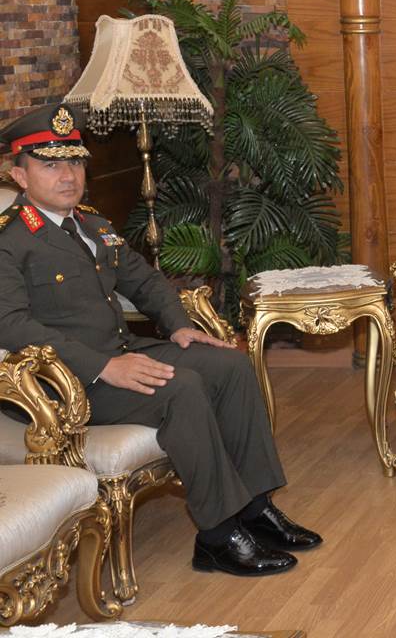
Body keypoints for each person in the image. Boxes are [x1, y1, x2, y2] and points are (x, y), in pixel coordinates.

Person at [0, 104, 320, 576]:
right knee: (181, 388)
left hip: (121, 352)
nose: (67, 175)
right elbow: (11, 325)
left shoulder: (92, 224)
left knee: (230, 366)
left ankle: (255, 507)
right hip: (63, 382)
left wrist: (178, 324)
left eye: (74, 162)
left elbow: (144, 281)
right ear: (19, 176)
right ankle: (217, 537)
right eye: (50, 165)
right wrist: (103, 367)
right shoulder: (10, 240)